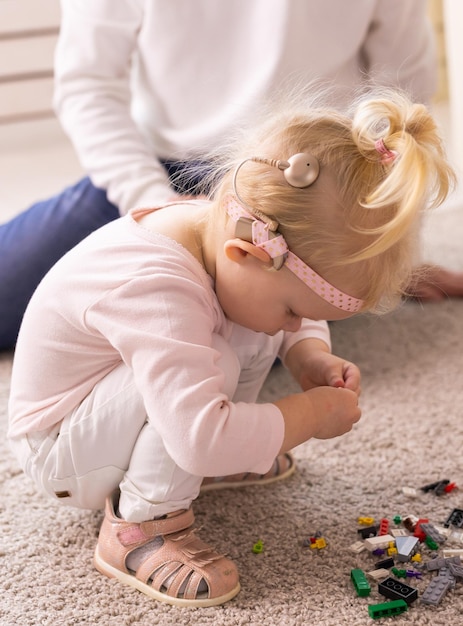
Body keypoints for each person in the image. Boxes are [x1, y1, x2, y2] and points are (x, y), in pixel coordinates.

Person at [8, 88, 455, 606]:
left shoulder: (226, 231)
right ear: (245, 253)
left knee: (252, 321)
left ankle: (220, 456)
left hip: (110, 414)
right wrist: (307, 414)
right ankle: (140, 529)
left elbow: (270, 313)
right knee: (218, 358)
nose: (299, 323)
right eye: (298, 311)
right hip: (60, 450)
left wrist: (307, 351)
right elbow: (197, 435)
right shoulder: (159, 290)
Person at [1, 0, 462, 351]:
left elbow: (403, 91)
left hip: (316, 197)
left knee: (249, 339)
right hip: (157, 171)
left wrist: (388, 249)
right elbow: (88, 87)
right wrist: (158, 211)